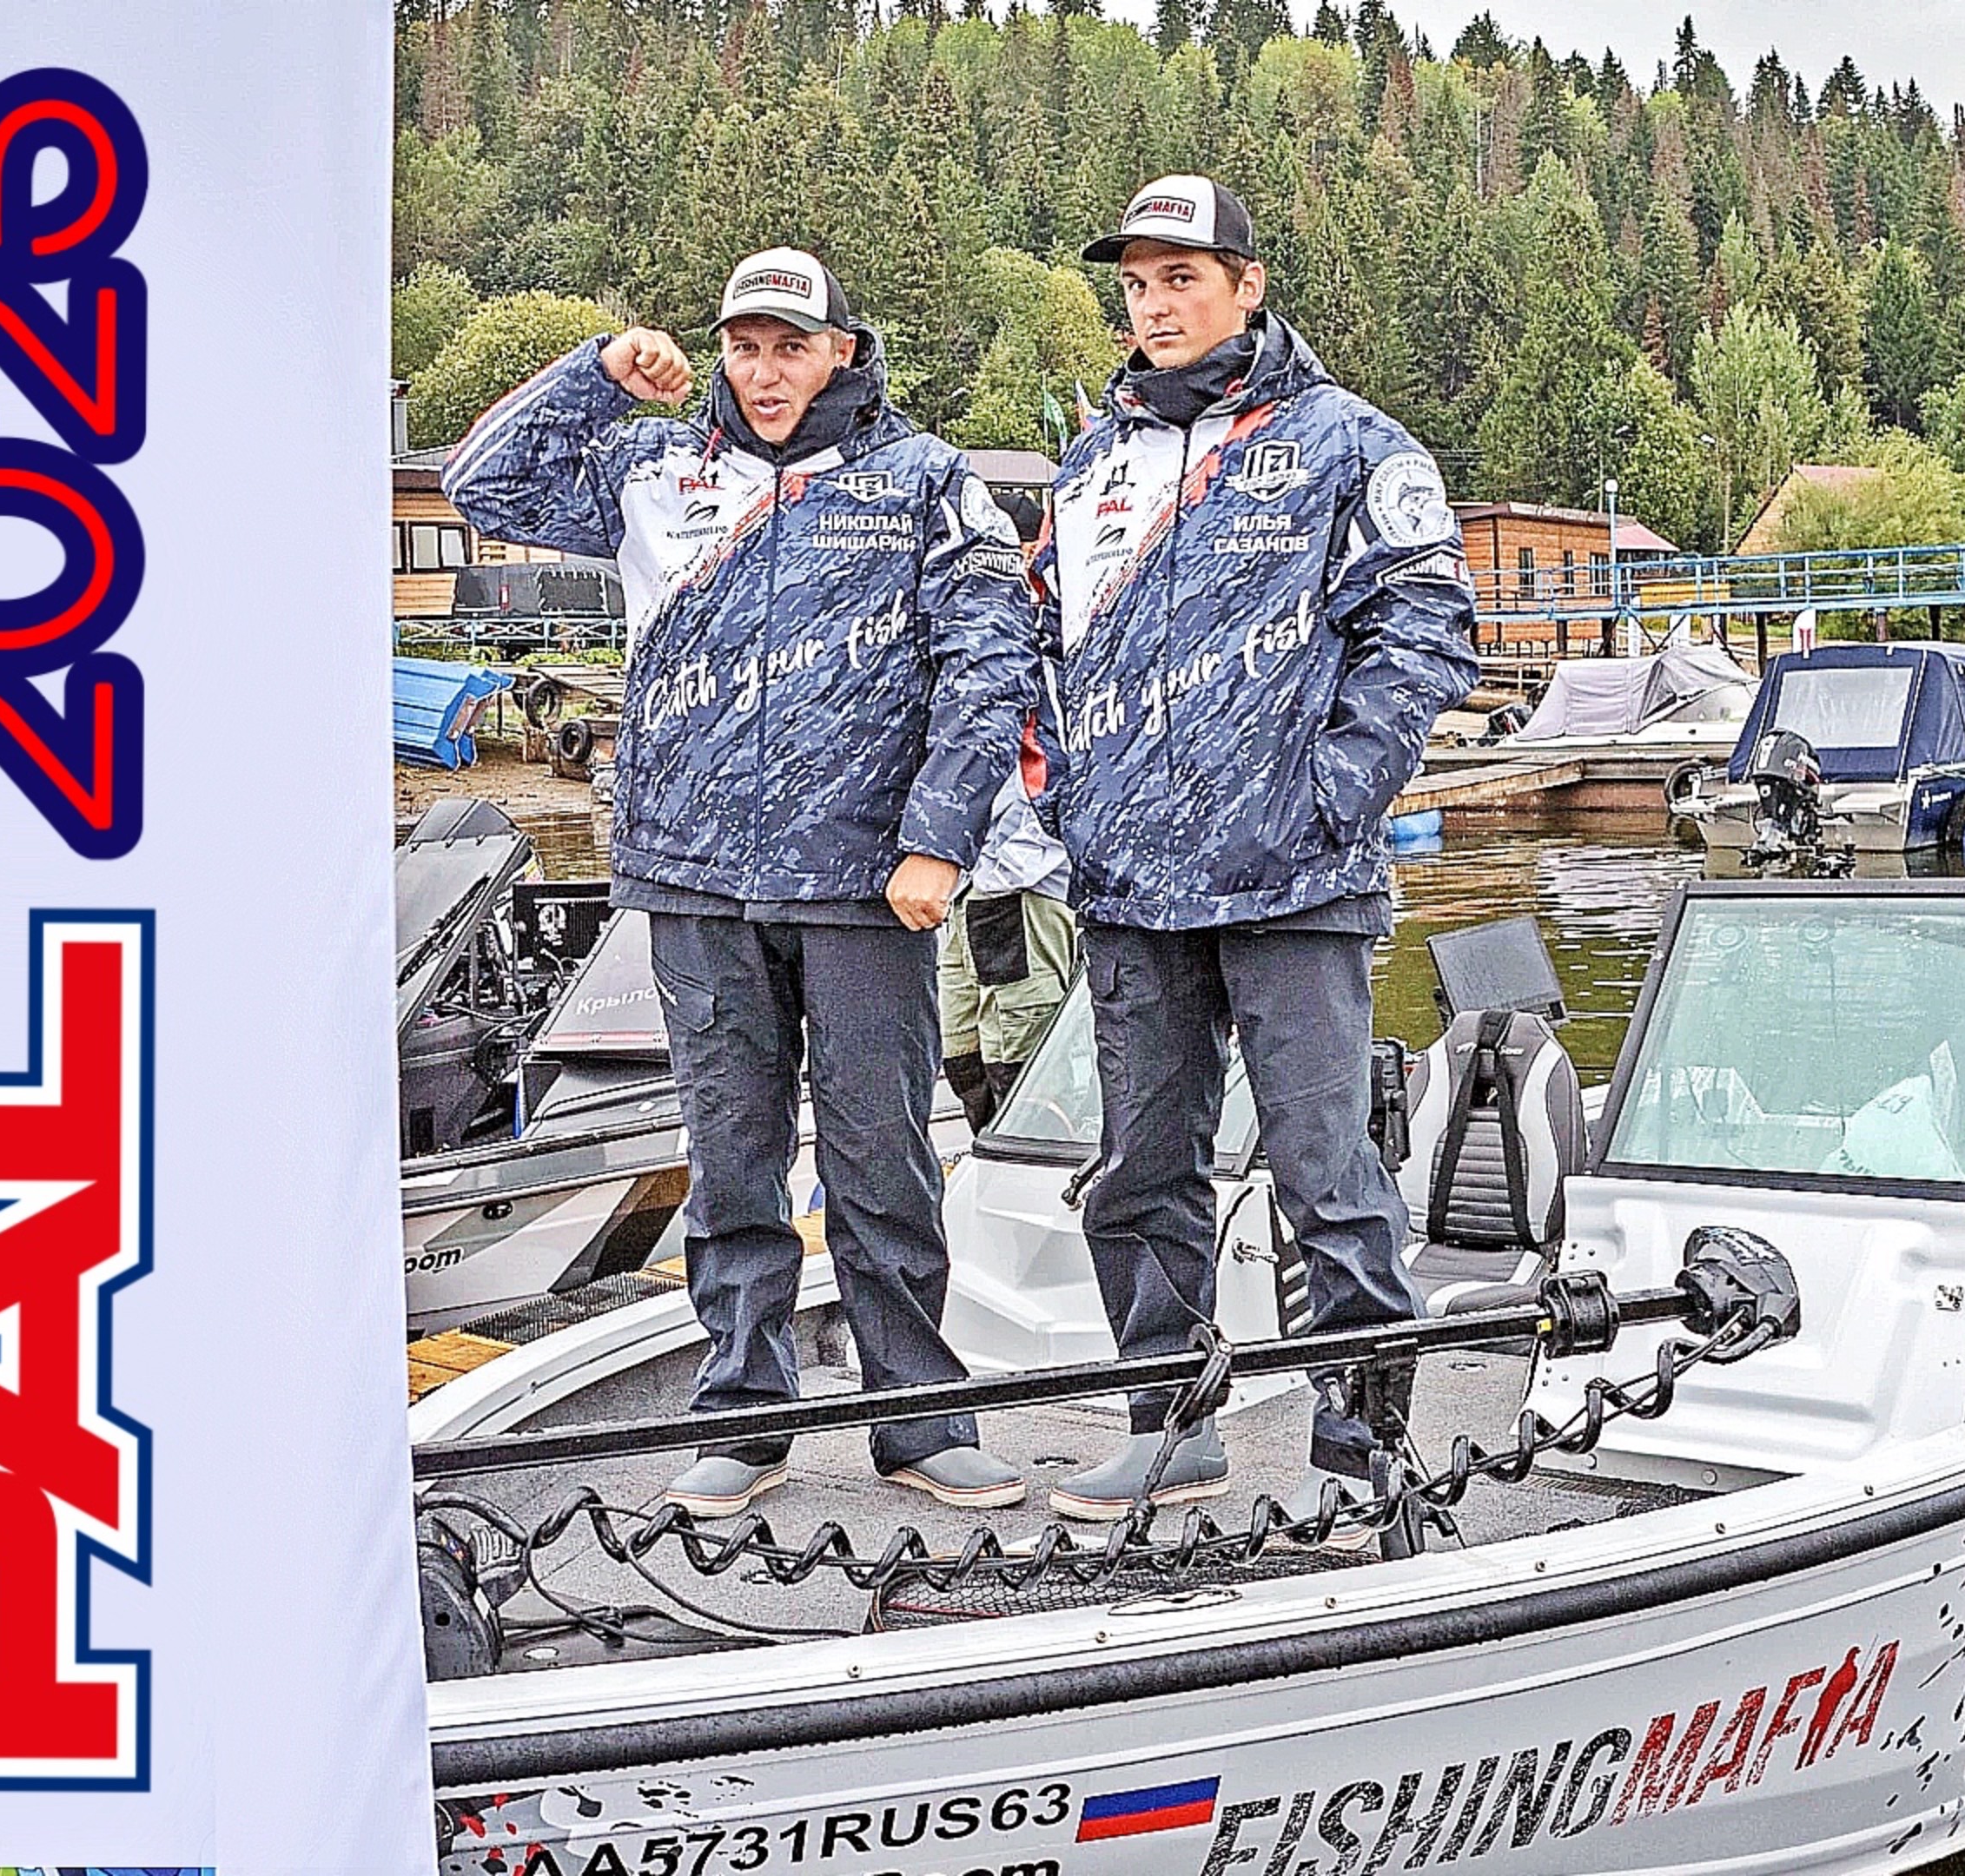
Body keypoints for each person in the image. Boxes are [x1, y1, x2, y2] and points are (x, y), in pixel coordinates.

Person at [446, 248, 1037, 1517]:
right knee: (730, 1158)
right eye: (745, 347)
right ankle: (745, 1416)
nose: (766, 373)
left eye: (791, 347)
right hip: (694, 876)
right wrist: (596, 375)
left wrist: (940, 837)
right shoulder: (656, 466)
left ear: (842, 351)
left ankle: (920, 1422)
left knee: (883, 1159)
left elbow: (993, 665)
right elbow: (478, 482)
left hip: (865, 882)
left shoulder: (926, 482)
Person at [1031, 176, 1479, 1523]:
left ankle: (1366, 1448)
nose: (1155, 305)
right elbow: (1038, 650)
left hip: (1295, 883)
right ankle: (1169, 1423)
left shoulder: (1351, 444)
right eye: (1137, 284)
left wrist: (1333, 794)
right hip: (1130, 892)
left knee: (1326, 1172)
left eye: (1182, 277)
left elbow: (1425, 628)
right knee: (1138, 1174)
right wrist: (1065, 803)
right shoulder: (1090, 470)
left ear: (1248, 282)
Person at [938, 744, 1077, 1129]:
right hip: (967, 885)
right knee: (963, 1057)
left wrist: (1007, 871)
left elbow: (1056, 764)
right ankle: (989, 1158)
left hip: (1021, 889)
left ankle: (1038, 1165)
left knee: (1024, 1069)